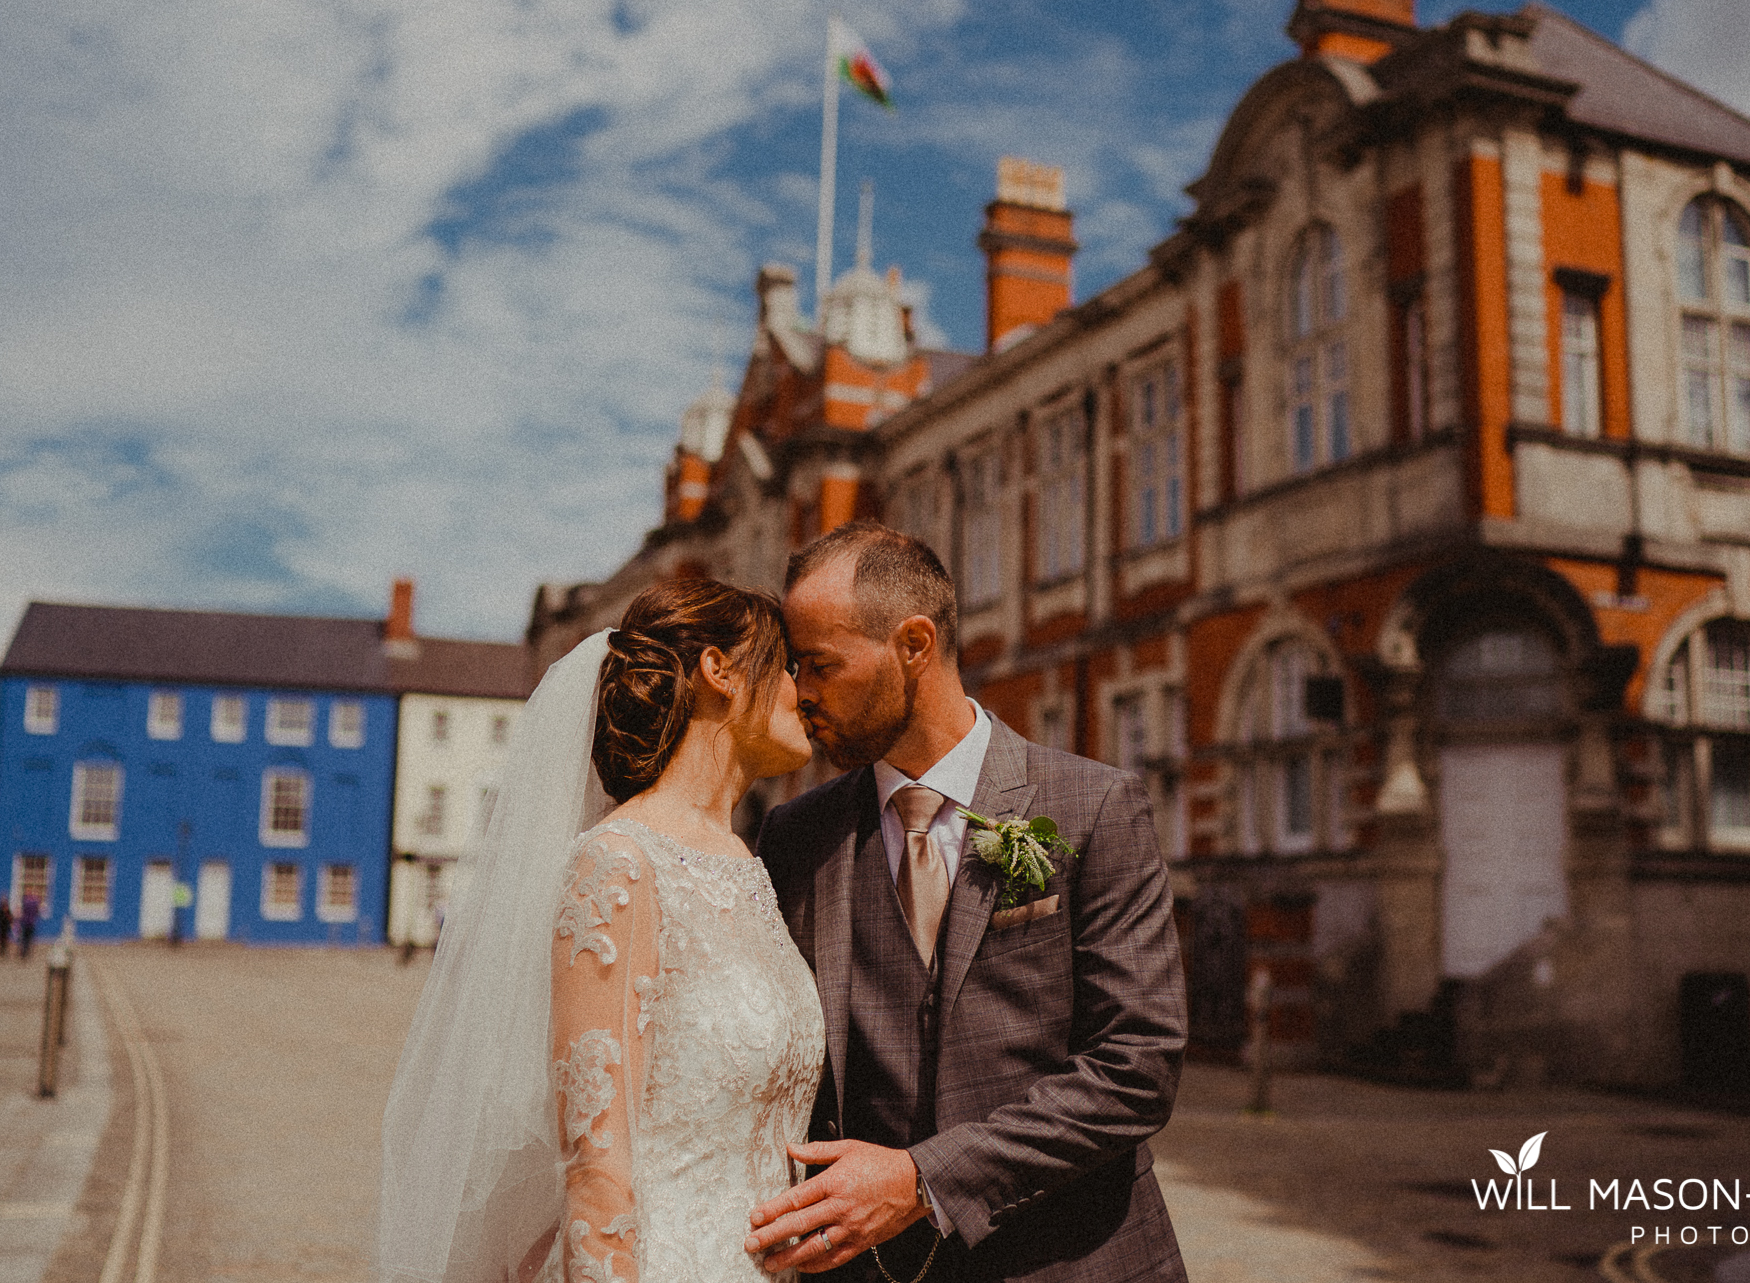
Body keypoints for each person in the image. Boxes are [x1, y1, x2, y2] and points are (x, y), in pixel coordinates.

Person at [747, 522, 1189, 1281]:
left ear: (913, 645)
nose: (800, 692)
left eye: (819, 664)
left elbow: (1135, 1068)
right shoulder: (795, 835)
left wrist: (923, 1180)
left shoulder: (1094, 805)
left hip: (1075, 1259)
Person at [380, 576, 822, 1282]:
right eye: (788, 667)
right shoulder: (616, 862)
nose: (806, 690)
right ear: (720, 672)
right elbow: (594, 1162)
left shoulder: (750, 863)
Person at [17, 891, 39, 960]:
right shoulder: (34, 903)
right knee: (28, 939)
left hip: (25, 922)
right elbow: (37, 912)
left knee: (23, 939)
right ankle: (26, 952)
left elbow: (23, 911)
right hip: (31, 923)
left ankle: (22, 953)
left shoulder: (25, 902)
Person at [0, 895, 14, 959]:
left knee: (5, 940)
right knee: (0, 940)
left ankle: (3, 951)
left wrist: (10, 920)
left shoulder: (7, 910)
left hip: (6, 927)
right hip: (0, 927)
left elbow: (11, 918)